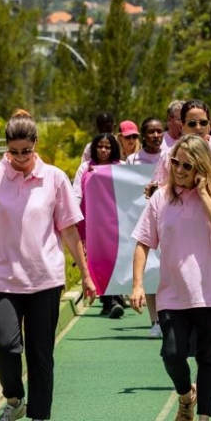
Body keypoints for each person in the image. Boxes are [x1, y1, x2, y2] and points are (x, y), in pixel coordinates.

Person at [0, 109, 96, 421]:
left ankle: (38, 419)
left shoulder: (53, 178)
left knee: (40, 352)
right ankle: (14, 401)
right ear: (6, 147)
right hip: (3, 279)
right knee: (5, 344)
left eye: (26, 150)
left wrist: (86, 274)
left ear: (36, 144)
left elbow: (68, 229)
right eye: (14, 151)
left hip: (44, 278)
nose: (21, 158)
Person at [130, 134, 211, 421]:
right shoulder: (160, 198)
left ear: (201, 167)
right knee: (172, 354)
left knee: (209, 359)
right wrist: (137, 284)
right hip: (173, 293)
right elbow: (143, 242)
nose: (177, 169)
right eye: (174, 162)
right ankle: (184, 395)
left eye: (186, 165)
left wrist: (204, 194)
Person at [72, 132, 122, 318]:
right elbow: (77, 191)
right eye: (100, 146)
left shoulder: (121, 167)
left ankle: (115, 299)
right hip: (92, 223)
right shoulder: (85, 168)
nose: (103, 150)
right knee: (99, 260)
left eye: (107, 147)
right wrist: (72, 214)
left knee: (115, 259)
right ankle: (108, 302)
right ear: (94, 148)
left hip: (115, 222)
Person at [126, 117, 165, 338]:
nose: (156, 136)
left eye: (159, 131)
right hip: (141, 218)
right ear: (143, 134)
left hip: (167, 218)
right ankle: (155, 320)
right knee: (150, 269)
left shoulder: (171, 156)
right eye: (151, 132)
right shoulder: (133, 160)